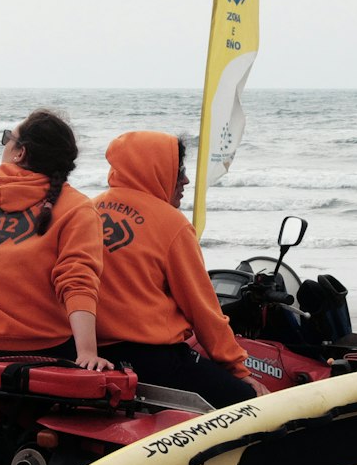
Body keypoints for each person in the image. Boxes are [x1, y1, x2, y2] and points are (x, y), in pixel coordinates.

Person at [90, 130, 262, 406]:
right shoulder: (171, 225)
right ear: (155, 168)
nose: (185, 179)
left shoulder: (85, 211)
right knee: (250, 403)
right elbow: (203, 312)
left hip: (90, 356)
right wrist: (239, 371)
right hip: (154, 361)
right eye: (178, 169)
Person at [0, 109, 112, 370]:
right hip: (38, 348)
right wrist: (87, 352)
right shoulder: (78, 209)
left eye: (9, 137)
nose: (5, 144)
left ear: (20, 153)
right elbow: (77, 281)